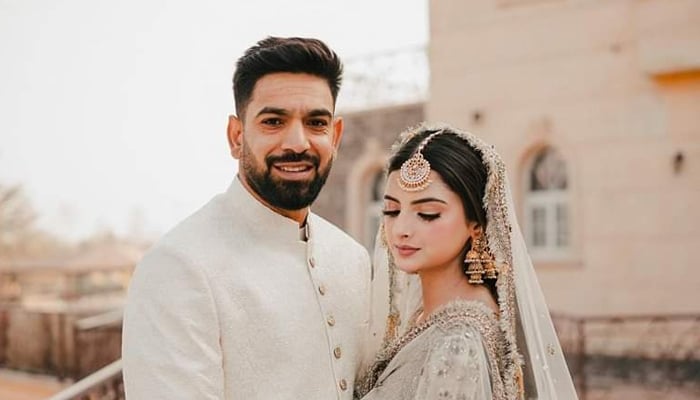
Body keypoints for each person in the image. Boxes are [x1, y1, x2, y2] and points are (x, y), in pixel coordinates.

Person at [122, 36, 375, 400]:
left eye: (316, 122)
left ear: (335, 136)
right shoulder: (179, 267)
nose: (298, 143)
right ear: (236, 136)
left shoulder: (351, 258)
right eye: (273, 121)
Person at [355, 122, 579, 399]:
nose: (401, 228)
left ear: (476, 225)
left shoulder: (457, 345)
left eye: (427, 213)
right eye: (391, 210)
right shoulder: (429, 313)